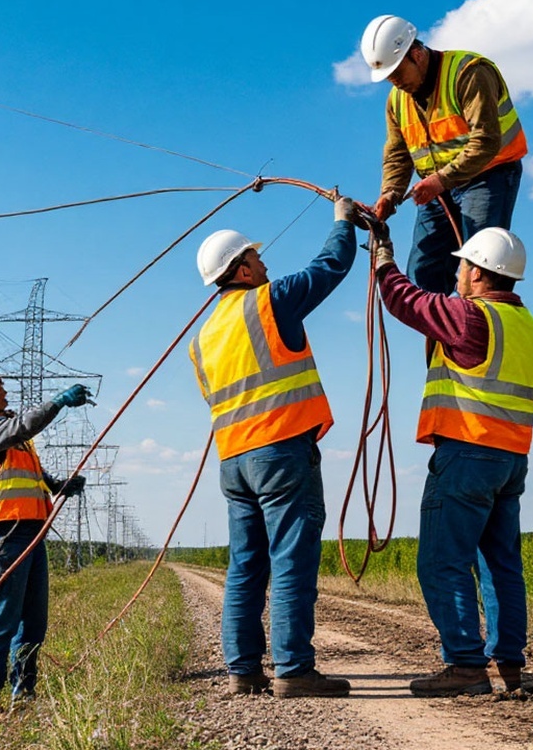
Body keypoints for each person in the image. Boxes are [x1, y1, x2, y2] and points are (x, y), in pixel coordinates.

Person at [187, 197, 365, 698]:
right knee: (291, 559)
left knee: (246, 566)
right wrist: (343, 221)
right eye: (257, 258)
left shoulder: (201, 339)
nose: (266, 264)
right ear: (241, 270)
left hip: (234, 462)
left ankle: (243, 671)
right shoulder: (267, 301)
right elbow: (330, 267)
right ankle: (293, 670)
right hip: (281, 450)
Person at [370, 224, 533, 696]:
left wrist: (383, 258)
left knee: (442, 562)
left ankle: (466, 665)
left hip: (467, 452)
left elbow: (406, 301)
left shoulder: (470, 317)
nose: (458, 271)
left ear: (481, 273)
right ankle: (507, 662)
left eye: (463, 264)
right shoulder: (528, 326)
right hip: (509, 460)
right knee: (500, 564)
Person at [0, 364, 90, 723]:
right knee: (3, 617)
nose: (3, 390)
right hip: (5, 536)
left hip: (31, 532)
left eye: (0, 384)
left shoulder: (12, 437)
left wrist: (58, 485)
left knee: (33, 620)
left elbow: (33, 474)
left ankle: (24, 693)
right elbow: (23, 425)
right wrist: (59, 402)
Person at [361, 14, 527, 295]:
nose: (395, 83)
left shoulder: (469, 73)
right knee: (422, 272)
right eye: (389, 78)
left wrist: (439, 180)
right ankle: (440, 335)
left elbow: (486, 141)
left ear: (417, 55)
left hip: (488, 175)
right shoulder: (397, 100)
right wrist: (389, 193)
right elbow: (397, 154)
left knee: (479, 267)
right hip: (437, 189)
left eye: (398, 74)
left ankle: (477, 329)